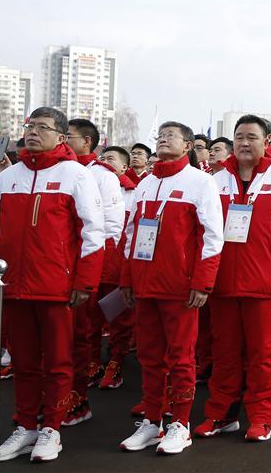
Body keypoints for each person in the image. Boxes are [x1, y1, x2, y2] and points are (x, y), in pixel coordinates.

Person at [0, 107, 105, 463]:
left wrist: (84, 281)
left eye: (43, 127)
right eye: (30, 126)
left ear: (61, 136)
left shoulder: (76, 175)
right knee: (23, 362)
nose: (34, 132)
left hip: (57, 289)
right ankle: (25, 425)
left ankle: (51, 427)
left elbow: (93, 233)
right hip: (14, 287)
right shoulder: (10, 177)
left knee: (57, 362)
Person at [196, 115, 271, 441]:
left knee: (264, 356)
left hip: (265, 286)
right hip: (223, 285)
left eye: (251, 137)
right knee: (225, 354)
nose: (244, 143)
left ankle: (261, 417)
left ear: (267, 141)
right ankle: (221, 415)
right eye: (239, 137)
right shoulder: (215, 181)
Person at [119, 121, 224, 455]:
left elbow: (212, 236)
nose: (163, 140)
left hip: (180, 287)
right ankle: (152, 421)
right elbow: (130, 235)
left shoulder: (201, 182)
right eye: (160, 136)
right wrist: (127, 278)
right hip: (145, 284)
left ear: (189, 145)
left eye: (171, 136)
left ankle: (180, 423)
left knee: (181, 359)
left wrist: (203, 281)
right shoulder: (146, 183)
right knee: (150, 357)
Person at [62, 119, 126, 426]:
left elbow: (112, 225)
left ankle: (79, 390)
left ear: (87, 141)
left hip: (89, 262)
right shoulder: (59, 170)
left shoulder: (102, 175)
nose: (63, 140)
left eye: (69, 136)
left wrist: (90, 260)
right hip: (58, 265)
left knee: (87, 327)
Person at [96, 145, 139, 388]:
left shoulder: (134, 193)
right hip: (92, 264)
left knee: (119, 319)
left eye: (110, 159)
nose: (104, 162)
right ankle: (93, 363)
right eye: (102, 157)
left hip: (118, 266)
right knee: (90, 320)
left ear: (124, 167)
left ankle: (116, 361)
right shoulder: (90, 186)